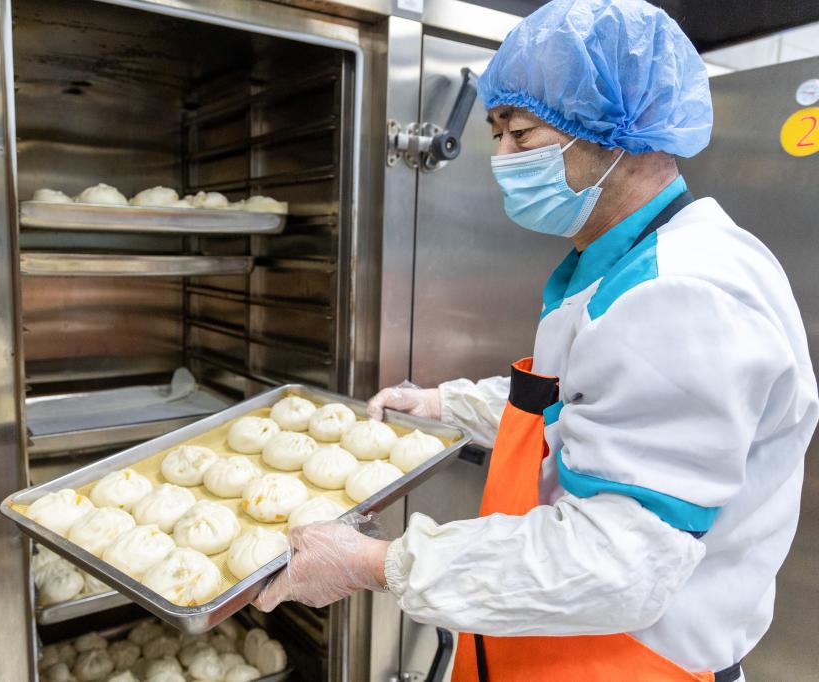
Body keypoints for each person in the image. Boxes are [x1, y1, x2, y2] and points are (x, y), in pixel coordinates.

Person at [253, 1, 819, 680]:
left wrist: (378, 564)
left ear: (620, 135)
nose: (501, 159)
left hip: (633, 663)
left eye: (520, 133)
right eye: (497, 133)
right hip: (560, 643)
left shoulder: (685, 295)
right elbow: (584, 406)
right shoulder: (623, 263)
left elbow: (618, 562)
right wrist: (447, 407)